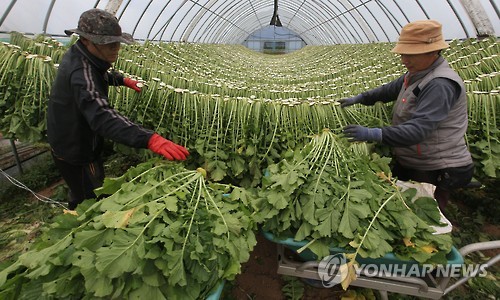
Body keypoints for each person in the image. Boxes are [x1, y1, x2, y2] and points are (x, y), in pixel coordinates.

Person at [47, 8, 189, 210]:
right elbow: (102, 116)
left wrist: (122, 80)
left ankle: (81, 208)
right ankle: (86, 229)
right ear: (87, 40)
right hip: (75, 145)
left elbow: (98, 73)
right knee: (90, 197)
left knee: (84, 187)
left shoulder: (81, 56)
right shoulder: (81, 72)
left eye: (117, 42)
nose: (116, 48)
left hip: (71, 134)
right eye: (108, 44)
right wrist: (149, 138)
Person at [340, 20, 474, 211]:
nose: (404, 60)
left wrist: (373, 134)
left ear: (433, 52)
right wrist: (360, 98)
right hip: (416, 159)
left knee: (426, 218)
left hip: (436, 166)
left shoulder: (440, 84)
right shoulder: (417, 74)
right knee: (403, 208)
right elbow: (388, 90)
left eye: (410, 55)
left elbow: (417, 131)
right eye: (403, 54)